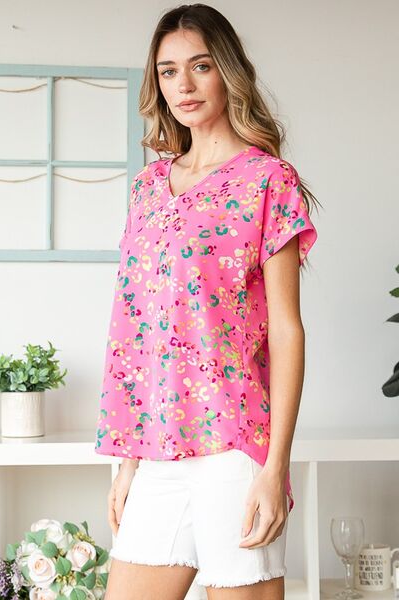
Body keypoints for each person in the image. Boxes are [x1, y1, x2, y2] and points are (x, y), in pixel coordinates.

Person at [95, 4, 321, 599]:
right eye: (168, 71)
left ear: (228, 71)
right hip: (158, 453)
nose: (184, 85)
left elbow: (287, 329)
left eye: (200, 66)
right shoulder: (147, 188)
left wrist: (274, 467)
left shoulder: (267, 180)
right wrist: (130, 461)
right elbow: (138, 330)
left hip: (235, 450)